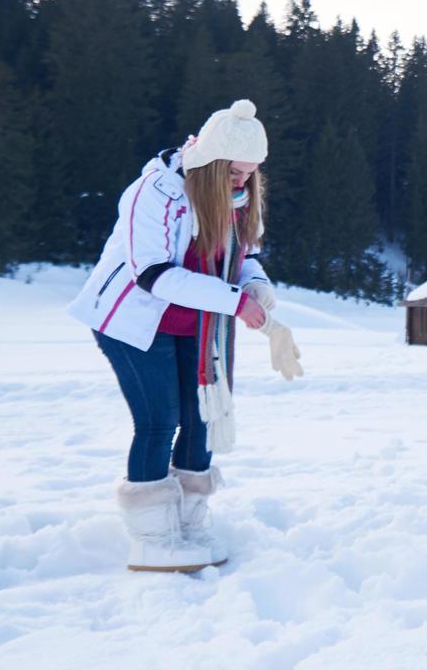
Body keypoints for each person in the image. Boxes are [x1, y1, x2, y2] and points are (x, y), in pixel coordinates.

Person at [66, 99, 276, 571]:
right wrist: (235, 302)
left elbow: (245, 256)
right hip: (134, 323)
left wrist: (256, 286)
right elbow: (154, 274)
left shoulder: (238, 199)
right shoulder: (153, 193)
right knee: (160, 422)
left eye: (250, 173)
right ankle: (153, 538)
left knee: (200, 418)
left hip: (195, 323)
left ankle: (188, 526)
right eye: (234, 171)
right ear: (209, 162)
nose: (242, 182)